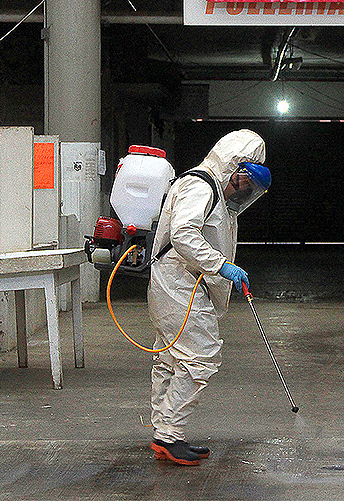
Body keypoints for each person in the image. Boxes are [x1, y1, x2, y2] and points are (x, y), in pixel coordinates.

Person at [147, 129, 271, 465]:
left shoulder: (217, 194)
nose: (243, 192)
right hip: (179, 283)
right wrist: (222, 266)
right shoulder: (199, 185)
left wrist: (220, 270)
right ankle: (169, 433)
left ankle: (165, 434)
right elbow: (184, 233)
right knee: (201, 357)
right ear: (233, 166)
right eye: (243, 182)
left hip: (186, 283)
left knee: (172, 361)